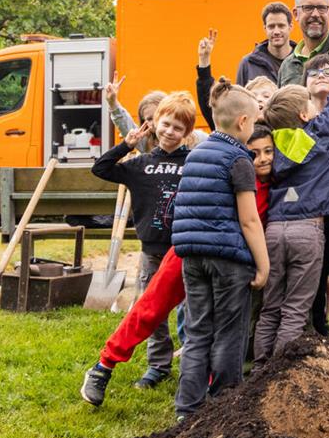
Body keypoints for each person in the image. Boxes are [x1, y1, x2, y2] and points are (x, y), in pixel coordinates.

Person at [79, 124, 277, 408]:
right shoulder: (229, 168)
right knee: (151, 308)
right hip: (190, 252)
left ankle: (210, 391)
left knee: (219, 326)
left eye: (267, 152)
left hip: (228, 262)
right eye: (254, 153)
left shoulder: (275, 188)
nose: (261, 159)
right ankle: (103, 366)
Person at [253, 33, 329, 370]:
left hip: (275, 231)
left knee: (272, 305)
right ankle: (281, 371)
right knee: (296, 307)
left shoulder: (275, 143)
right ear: (306, 116)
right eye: (309, 103)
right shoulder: (317, 131)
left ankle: (261, 364)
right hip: (308, 231)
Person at [80, 92, 196, 405]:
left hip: (183, 249)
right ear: (155, 123)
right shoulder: (141, 164)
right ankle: (158, 365)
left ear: (187, 133)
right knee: (150, 310)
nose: (170, 131)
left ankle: (190, 363)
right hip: (151, 251)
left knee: (190, 308)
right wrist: (127, 145)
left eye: (178, 128)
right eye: (166, 124)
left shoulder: (193, 163)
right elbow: (101, 168)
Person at [171, 80, 270, 419]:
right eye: (254, 122)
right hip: (228, 259)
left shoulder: (195, 154)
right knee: (230, 331)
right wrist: (263, 264)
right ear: (243, 122)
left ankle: (188, 409)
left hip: (192, 257)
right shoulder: (238, 159)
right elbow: (249, 221)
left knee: (198, 330)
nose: (254, 128)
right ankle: (226, 410)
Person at [237, 2, 296, 85]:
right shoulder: (248, 64)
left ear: (290, 27)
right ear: (265, 29)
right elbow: (240, 97)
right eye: (271, 26)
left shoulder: (303, 62)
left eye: (281, 26)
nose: (276, 32)